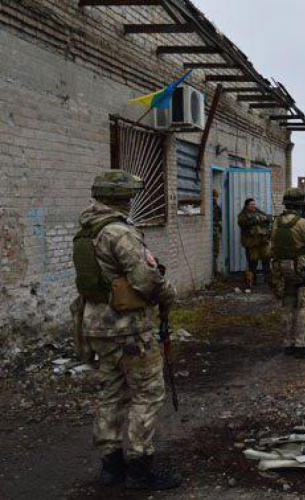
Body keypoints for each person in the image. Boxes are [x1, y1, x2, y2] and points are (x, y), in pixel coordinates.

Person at [72, 171, 180, 490]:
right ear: (122, 198)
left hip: (97, 327)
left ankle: (111, 467)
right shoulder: (119, 232)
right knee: (146, 394)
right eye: (129, 196)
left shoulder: (86, 232)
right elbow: (146, 279)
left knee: (111, 393)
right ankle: (139, 468)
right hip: (128, 328)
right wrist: (167, 293)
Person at [270, 188, 305, 358]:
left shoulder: (276, 222)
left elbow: (272, 245)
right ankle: (302, 345)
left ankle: (288, 344)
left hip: (281, 268)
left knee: (288, 305)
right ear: (300, 205)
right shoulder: (302, 223)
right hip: (301, 267)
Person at [237, 198, 272, 286]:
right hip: (252, 243)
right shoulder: (242, 215)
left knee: (266, 259)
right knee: (253, 262)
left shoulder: (259, 212)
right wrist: (256, 219)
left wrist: (266, 218)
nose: (254, 206)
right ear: (247, 206)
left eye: (254, 204)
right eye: (252, 204)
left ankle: (268, 279)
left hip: (263, 242)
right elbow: (243, 223)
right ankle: (253, 280)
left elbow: (268, 218)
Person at [212, 189, 222, 273]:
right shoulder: (212, 207)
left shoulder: (216, 207)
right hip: (213, 230)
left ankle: (215, 271)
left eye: (216, 197)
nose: (215, 198)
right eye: (214, 196)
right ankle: (214, 271)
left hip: (215, 230)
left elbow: (219, 219)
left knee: (216, 251)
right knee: (215, 251)